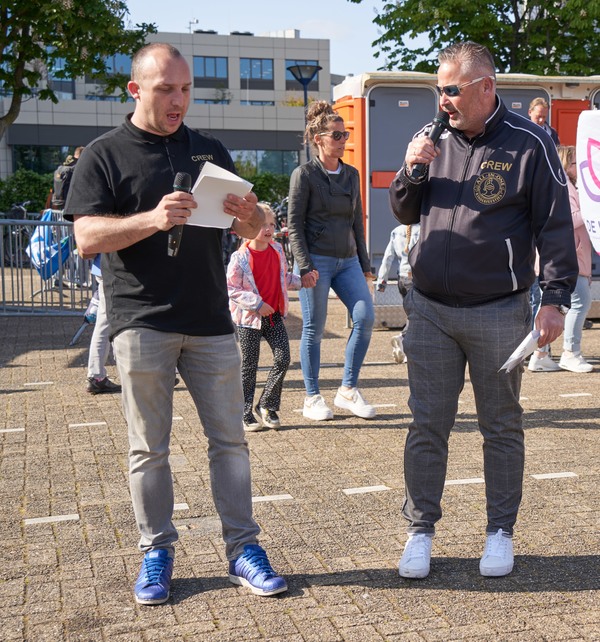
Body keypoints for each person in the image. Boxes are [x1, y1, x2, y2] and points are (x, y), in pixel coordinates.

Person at [63, 43, 287, 605]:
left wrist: (252, 215)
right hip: (141, 322)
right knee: (149, 449)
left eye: (186, 89)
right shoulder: (104, 155)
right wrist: (152, 219)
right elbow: (86, 237)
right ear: (136, 90)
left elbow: (251, 225)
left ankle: (243, 549)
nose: (178, 100)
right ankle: (156, 551)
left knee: (231, 443)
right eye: (166, 89)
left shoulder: (209, 150)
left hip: (212, 321)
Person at [389, 41, 578, 580]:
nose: (442, 100)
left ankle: (500, 531)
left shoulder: (531, 143)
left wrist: (556, 299)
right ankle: (420, 530)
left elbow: (555, 226)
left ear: (485, 87)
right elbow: (402, 208)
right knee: (427, 424)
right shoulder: (431, 138)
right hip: (428, 310)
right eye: (438, 89)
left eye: (451, 89)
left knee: (499, 425)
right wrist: (411, 169)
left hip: (500, 311)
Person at [288, 100, 376, 421]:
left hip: (348, 260)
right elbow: (294, 224)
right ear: (318, 139)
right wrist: (306, 266)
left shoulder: (351, 175)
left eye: (345, 134)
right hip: (316, 261)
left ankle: (348, 390)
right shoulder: (304, 175)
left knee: (365, 318)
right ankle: (312, 397)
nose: (343, 140)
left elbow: (358, 224)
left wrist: (366, 267)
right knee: (314, 328)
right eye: (337, 135)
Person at [227, 203, 310, 431]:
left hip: (273, 317)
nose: (268, 229)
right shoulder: (240, 257)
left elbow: (284, 278)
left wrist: (303, 280)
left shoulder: (277, 251)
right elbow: (232, 289)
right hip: (249, 320)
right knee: (249, 366)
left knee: (283, 358)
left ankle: (267, 404)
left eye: (272, 224)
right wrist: (257, 304)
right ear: (249, 226)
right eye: (263, 224)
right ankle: (244, 412)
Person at [556, 145, 594, 373]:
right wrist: (591, 208)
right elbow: (570, 219)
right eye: (573, 163)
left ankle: (541, 355)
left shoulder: (570, 186)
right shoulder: (565, 188)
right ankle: (570, 352)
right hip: (571, 255)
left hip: (571, 254)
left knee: (563, 306)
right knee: (579, 303)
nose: (577, 167)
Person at [375, 223, 420, 364]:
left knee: (411, 314)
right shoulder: (424, 228)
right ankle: (403, 338)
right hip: (416, 279)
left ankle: (406, 349)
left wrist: (382, 280)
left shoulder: (396, 231)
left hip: (402, 279)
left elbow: (388, 257)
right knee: (417, 315)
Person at [86, 253, 121, 394]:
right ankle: (96, 375)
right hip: (113, 268)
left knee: (104, 322)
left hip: (105, 267)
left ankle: (96, 375)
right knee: (107, 323)